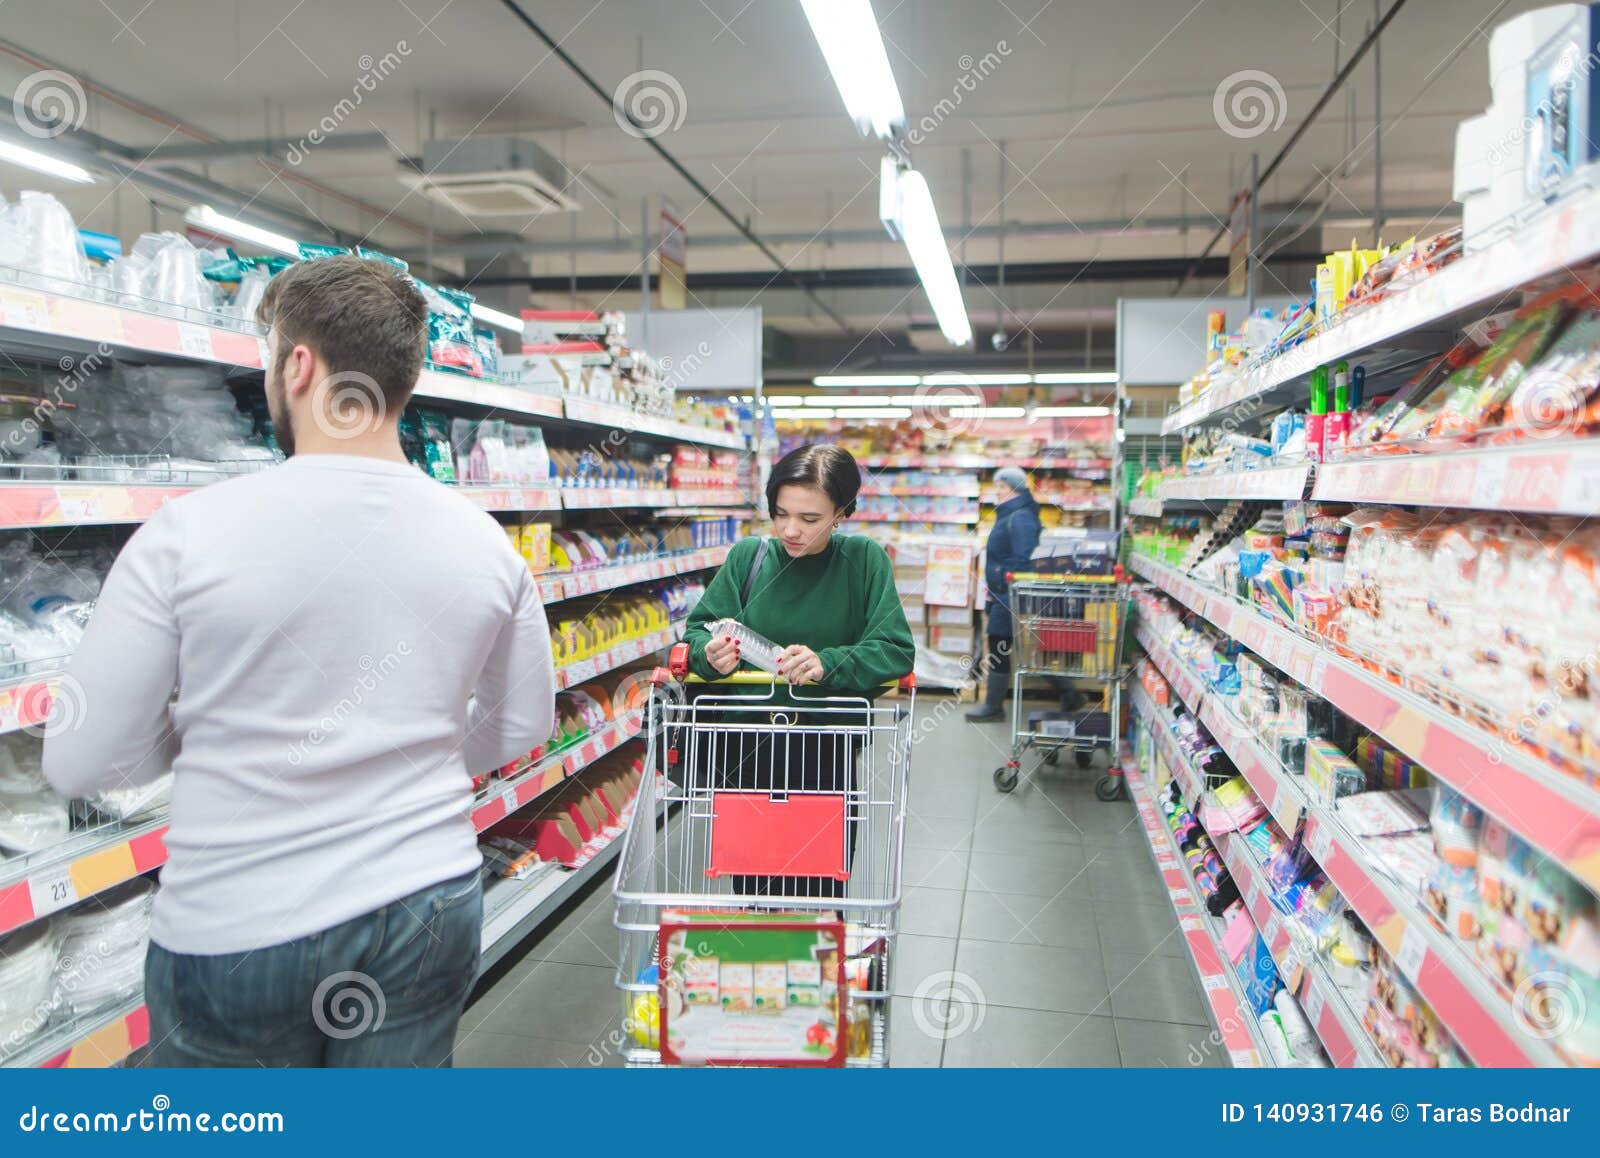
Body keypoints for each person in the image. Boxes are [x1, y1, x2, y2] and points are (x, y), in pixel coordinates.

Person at [41, 255, 555, 1068]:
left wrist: (194, 731)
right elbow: (524, 722)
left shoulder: (186, 533)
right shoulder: (485, 544)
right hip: (425, 902)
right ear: (405, 378)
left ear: (301, 365)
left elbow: (80, 760)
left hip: (237, 921)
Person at [683, 443, 914, 897]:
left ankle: (818, 956)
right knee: (753, 884)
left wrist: (828, 662)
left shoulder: (863, 562)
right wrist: (707, 656)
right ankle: (763, 960)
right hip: (744, 746)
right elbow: (695, 632)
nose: (790, 529)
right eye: (780, 513)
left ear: (842, 512)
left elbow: (894, 649)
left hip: (825, 746)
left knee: (819, 883)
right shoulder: (748, 558)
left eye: (809, 519)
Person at [966, 466, 1041, 723]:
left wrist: (1004, 579)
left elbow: (1025, 557)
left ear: (1014, 489)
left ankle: (993, 706)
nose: (996, 491)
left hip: (1011, 591)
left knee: (1001, 643)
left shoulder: (1020, 516)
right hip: (1002, 590)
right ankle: (994, 705)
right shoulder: (1010, 513)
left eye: (1001, 487)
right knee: (1006, 644)